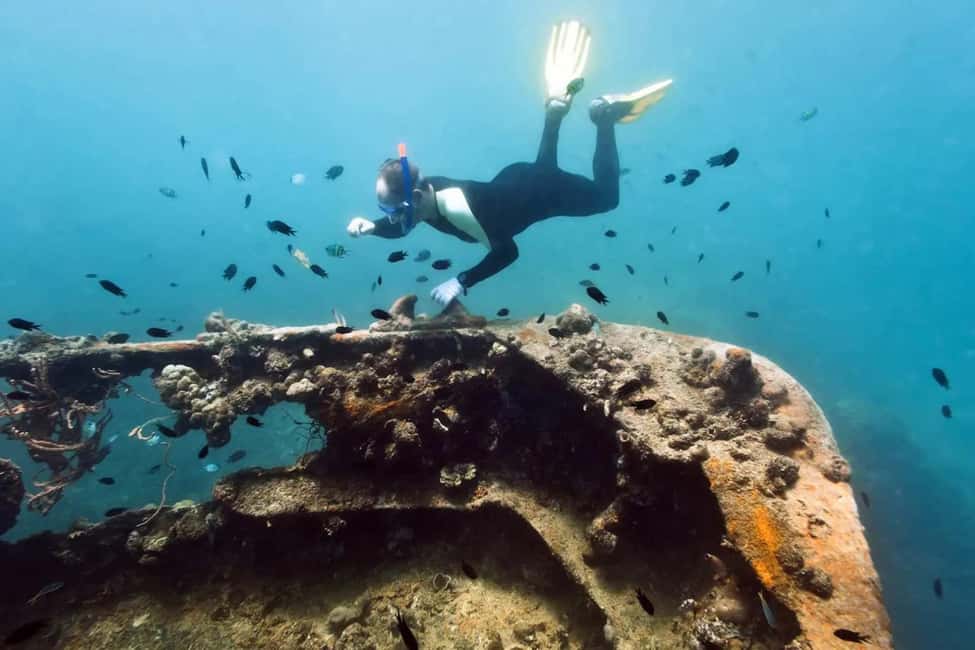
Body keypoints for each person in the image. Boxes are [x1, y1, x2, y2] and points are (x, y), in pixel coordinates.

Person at [347, 20, 672, 305]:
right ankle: (554, 111)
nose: (397, 220)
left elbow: (507, 252)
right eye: (389, 213)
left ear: (416, 198)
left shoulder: (456, 209)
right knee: (542, 169)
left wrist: (462, 281)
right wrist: (373, 227)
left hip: (539, 193)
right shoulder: (421, 198)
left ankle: (604, 117)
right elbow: (400, 229)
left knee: (606, 200)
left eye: (395, 212)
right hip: (514, 183)